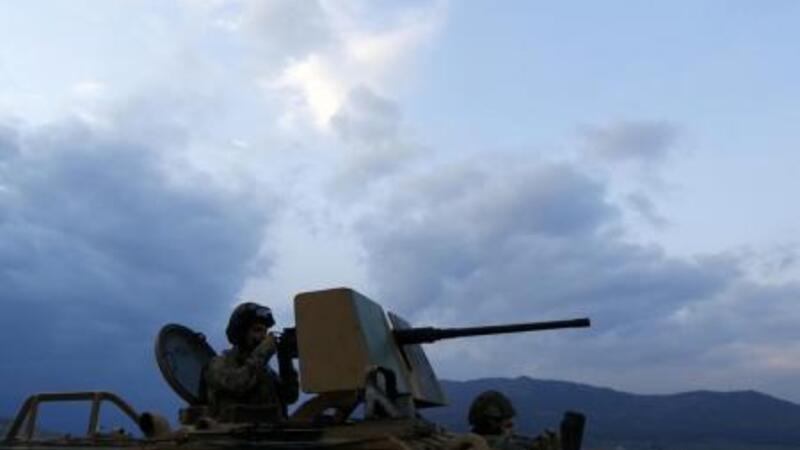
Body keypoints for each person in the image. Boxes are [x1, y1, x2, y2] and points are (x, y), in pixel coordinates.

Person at [205, 302, 299, 421]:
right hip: (234, 431)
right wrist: (263, 352)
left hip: (269, 431)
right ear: (241, 333)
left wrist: (285, 359)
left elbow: (290, 397)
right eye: (257, 330)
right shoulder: (218, 364)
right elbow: (238, 385)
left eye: (265, 331)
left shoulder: (264, 370)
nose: (263, 337)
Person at [468, 390, 559, 450]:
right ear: (492, 423)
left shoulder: (466, 443)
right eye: (508, 424)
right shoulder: (507, 446)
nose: (512, 426)